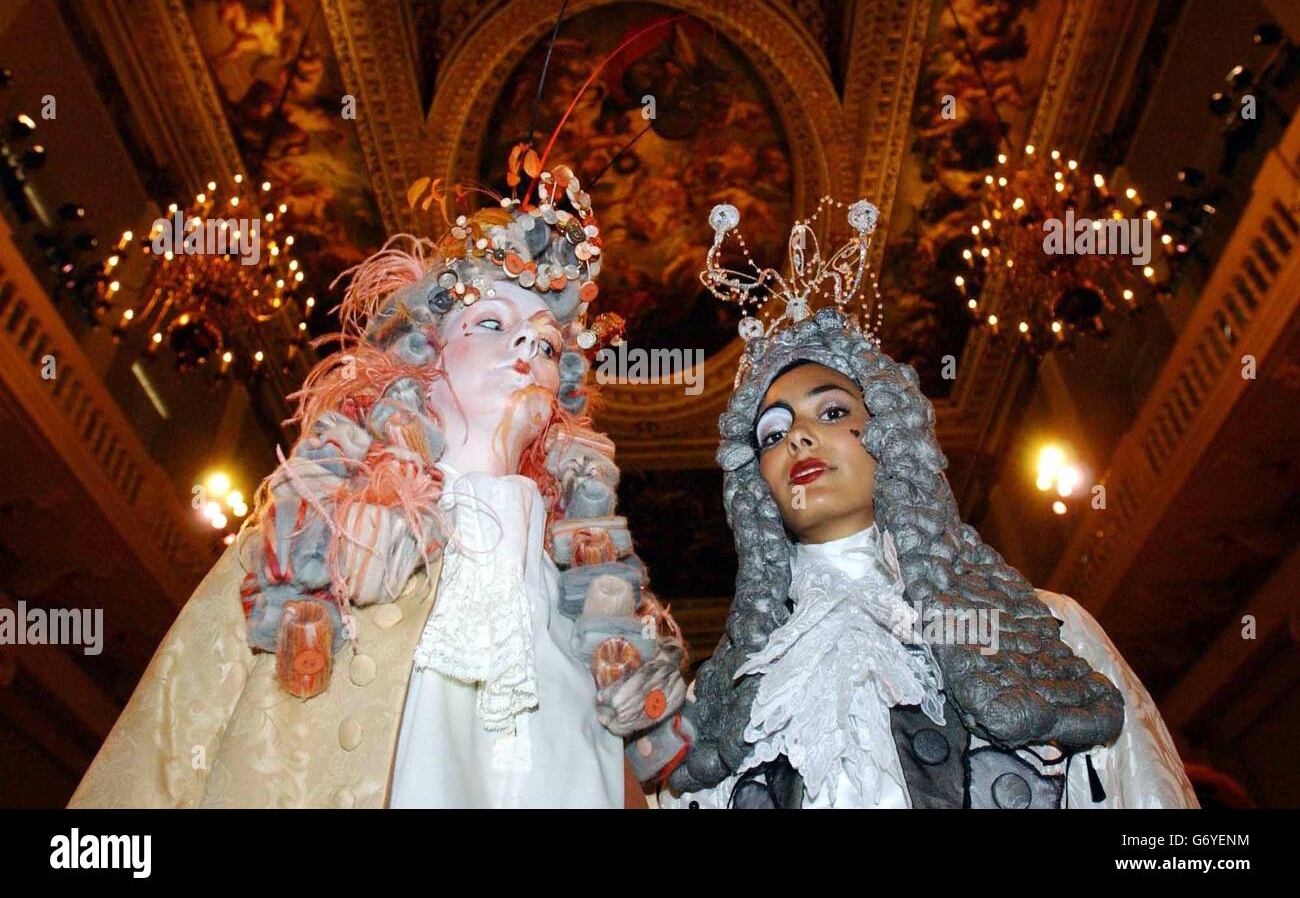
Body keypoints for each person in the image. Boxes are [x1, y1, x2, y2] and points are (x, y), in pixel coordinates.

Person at [69, 165, 685, 808]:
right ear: (426, 351)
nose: (527, 349)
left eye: (548, 342)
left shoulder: (591, 614)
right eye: (493, 324)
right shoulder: (316, 533)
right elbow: (170, 737)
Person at [650, 200, 1198, 808]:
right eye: (772, 434)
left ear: (889, 434)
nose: (798, 439)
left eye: (832, 413)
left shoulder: (1048, 630)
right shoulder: (721, 703)